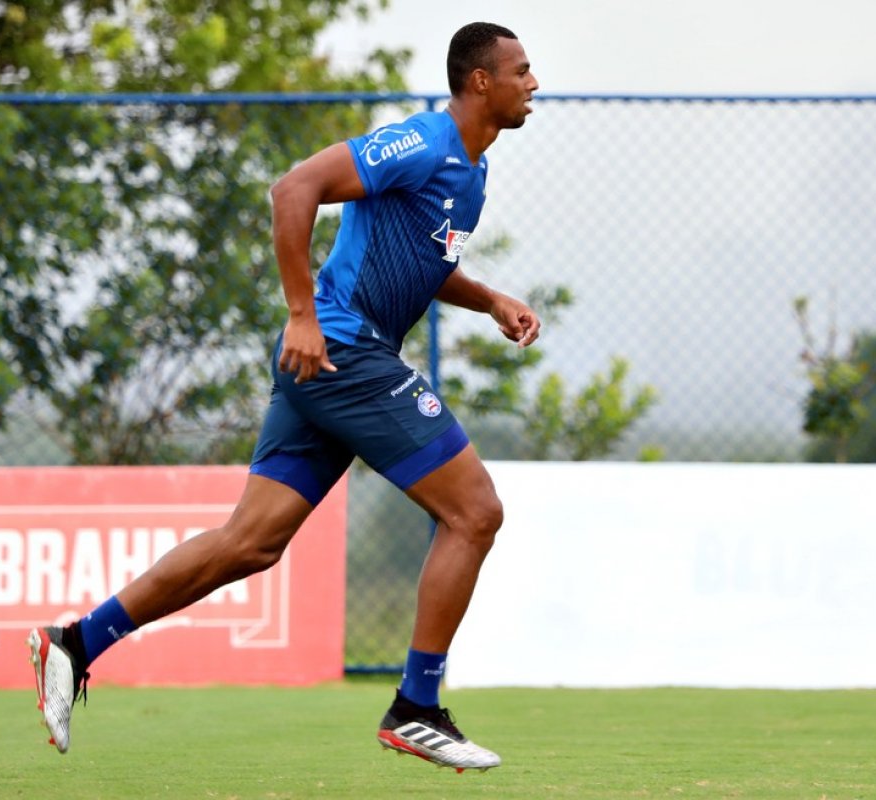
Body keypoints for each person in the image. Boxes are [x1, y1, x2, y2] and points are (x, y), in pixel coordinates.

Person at [28, 21, 540, 772]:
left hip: (332, 363)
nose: (535, 83)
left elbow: (423, 261)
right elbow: (293, 187)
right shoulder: (425, 141)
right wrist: (302, 313)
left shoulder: (473, 173)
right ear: (480, 82)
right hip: (341, 347)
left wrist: (489, 298)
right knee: (476, 510)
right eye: (522, 70)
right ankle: (416, 706)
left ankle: (74, 644)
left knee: (251, 543)